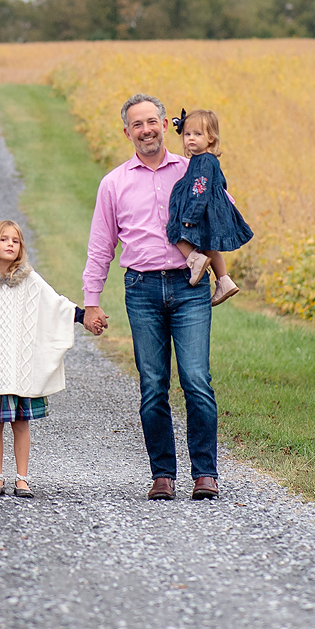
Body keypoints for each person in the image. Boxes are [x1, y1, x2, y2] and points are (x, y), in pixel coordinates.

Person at [81, 93, 221, 501]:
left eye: (151, 122)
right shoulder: (115, 182)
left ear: (165, 124)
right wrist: (92, 300)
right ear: (128, 132)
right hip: (141, 289)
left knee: (196, 379)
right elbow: (101, 246)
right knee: (154, 383)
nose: (145, 130)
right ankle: (162, 474)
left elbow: (222, 210)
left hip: (188, 285)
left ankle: (205, 474)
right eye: (136, 125)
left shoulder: (194, 170)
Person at [0, 220, 104, 497]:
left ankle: (22, 478)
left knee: (21, 424)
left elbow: (56, 305)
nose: (11, 244)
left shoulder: (30, 281)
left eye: (15, 240)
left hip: (20, 369)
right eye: (4, 239)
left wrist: (84, 316)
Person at [167, 108, 254, 306]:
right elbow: (220, 183)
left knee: (174, 231)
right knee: (209, 244)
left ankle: (194, 260)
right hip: (209, 211)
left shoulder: (204, 161)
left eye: (198, 134)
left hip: (200, 212)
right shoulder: (205, 160)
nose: (191, 139)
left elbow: (200, 188)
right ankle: (224, 280)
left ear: (211, 138)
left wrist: (191, 216)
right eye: (187, 134)